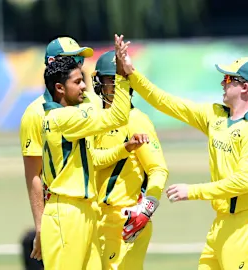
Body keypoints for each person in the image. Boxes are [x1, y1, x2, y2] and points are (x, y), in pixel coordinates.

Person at [123, 56, 248, 269]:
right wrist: (132, 73)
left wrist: (192, 191)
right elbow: (166, 102)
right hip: (221, 224)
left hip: (246, 227)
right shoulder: (216, 116)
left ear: (245, 87)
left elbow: (243, 182)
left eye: (229, 78)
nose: (223, 82)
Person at [39, 35, 146, 270]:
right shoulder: (64, 117)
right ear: (59, 88)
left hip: (84, 210)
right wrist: (121, 75)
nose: (84, 87)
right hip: (66, 211)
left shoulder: (69, 117)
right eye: (77, 82)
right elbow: (118, 116)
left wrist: (124, 149)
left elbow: (91, 160)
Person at [18, 36, 101, 268]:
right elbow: (33, 174)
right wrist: (41, 226)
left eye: (80, 62)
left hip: (92, 210)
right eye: (74, 60)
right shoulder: (35, 114)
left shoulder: (89, 103)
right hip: (63, 213)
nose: (80, 67)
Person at [92, 50, 169, 270]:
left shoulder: (136, 121)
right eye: (110, 81)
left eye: (120, 81)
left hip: (125, 219)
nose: (115, 87)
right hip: (96, 219)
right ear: (98, 83)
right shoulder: (95, 120)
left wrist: (146, 207)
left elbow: (158, 169)